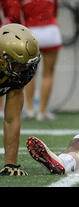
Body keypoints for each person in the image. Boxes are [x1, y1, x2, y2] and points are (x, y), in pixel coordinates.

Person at [8, 0, 62, 121]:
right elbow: (54, 12)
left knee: (29, 74)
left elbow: (14, 16)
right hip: (52, 32)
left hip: (32, 34)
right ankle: (43, 111)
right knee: (48, 74)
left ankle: (30, 109)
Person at [0, 24, 40, 176]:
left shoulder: (16, 74)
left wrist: (10, 164)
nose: (26, 71)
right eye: (19, 66)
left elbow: (12, 119)